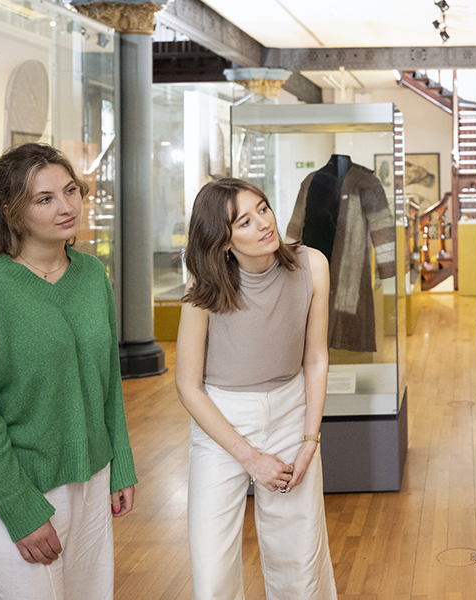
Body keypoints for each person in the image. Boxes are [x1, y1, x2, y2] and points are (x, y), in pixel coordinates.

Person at [0, 143, 138, 599]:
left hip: (91, 481)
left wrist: (120, 465)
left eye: (71, 190)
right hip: (15, 487)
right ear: (12, 211)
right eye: (44, 199)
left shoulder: (92, 275)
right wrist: (19, 508)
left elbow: (108, 385)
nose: (67, 207)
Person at [175, 178, 337, 600]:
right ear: (223, 241)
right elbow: (188, 387)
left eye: (263, 209)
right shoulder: (204, 291)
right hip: (222, 422)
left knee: (299, 561)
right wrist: (249, 457)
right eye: (244, 222)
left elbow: (316, 358)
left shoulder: (312, 264)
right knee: (213, 570)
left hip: (290, 409)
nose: (264, 224)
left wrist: (309, 441)